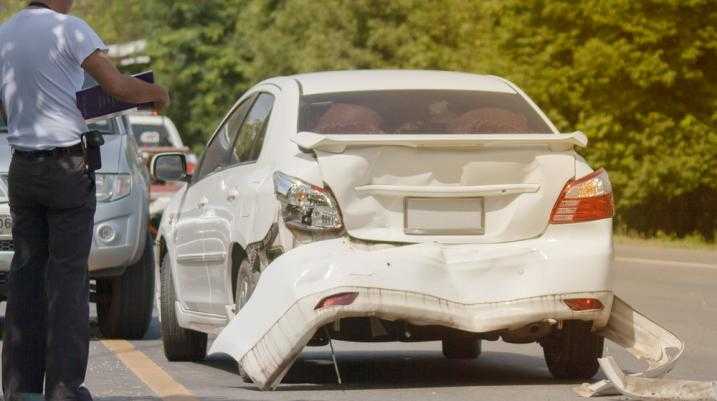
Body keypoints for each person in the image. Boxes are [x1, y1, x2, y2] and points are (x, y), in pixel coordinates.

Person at [0, 1, 170, 400]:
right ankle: (63, 389)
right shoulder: (70, 29)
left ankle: (19, 389)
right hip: (65, 170)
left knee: (25, 279)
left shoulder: (4, 34)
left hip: (22, 167)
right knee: (68, 279)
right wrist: (156, 92)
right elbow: (118, 87)